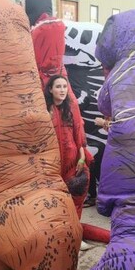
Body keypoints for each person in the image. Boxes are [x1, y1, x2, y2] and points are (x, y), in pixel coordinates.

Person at [44, 75, 92, 249]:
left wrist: (81, 157)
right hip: (53, 166)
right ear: (50, 89)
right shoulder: (44, 111)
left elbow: (77, 137)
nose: (62, 90)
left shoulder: (70, 110)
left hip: (73, 163)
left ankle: (74, 236)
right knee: (54, 202)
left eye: (65, 86)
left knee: (75, 201)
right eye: (58, 86)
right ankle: (55, 236)